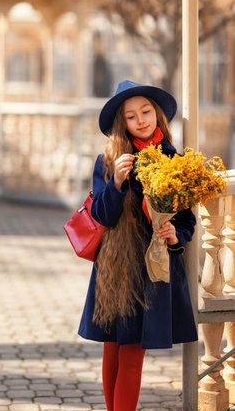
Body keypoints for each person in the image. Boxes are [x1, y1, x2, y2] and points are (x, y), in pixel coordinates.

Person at [78, 80, 198, 411]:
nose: (141, 120)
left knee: (132, 351)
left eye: (146, 112)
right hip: (116, 264)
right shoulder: (109, 160)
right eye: (131, 116)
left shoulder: (175, 160)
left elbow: (187, 221)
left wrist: (175, 235)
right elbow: (101, 214)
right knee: (113, 347)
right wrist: (116, 181)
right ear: (123, 123)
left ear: (157, 114)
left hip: (151, 266)